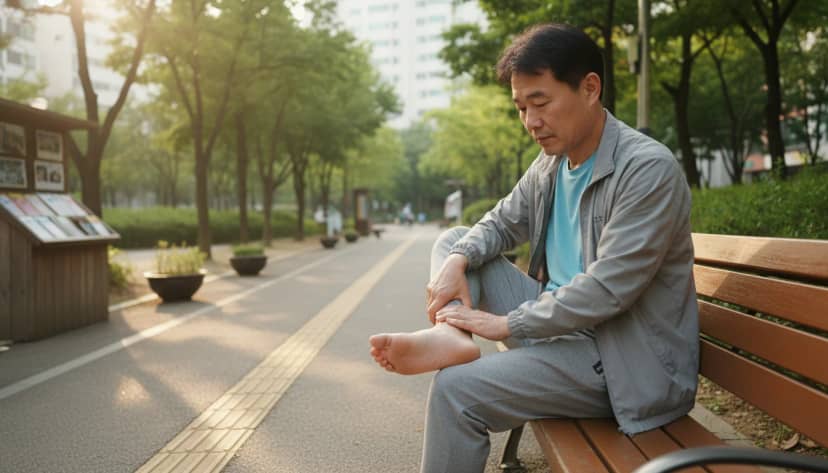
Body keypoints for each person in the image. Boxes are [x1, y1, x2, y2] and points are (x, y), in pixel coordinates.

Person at [369, 23, 698, 473]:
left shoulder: (645, 170)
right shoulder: (551, 164)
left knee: (455, 391)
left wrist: (503, 324)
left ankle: (457, 338)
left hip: (620, 362)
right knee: (453, 243)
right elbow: (501, 222)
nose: (531, 121)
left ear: (589, 88)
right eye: (521, 107)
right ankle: (452, 337)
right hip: (559, 328)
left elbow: (606, 291)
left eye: (540, 102)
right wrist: (458, 261)